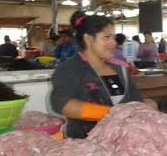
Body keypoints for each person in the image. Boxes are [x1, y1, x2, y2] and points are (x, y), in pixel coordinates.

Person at [50, 11, 144, 139]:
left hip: (124, 139)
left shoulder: (120, 69)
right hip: (85, 142)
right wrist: (110, 113)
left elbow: (136, 101)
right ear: (88, 39)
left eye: (113, 37)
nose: (114, 43)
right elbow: (63, 103)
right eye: (107, 37)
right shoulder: (70, 68)